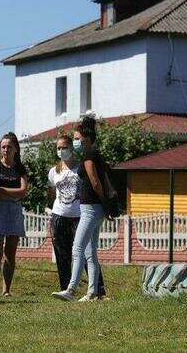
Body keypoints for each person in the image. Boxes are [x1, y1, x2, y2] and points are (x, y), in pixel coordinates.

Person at [52, 117, 108, 302]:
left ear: (86, 138)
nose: (75, 141)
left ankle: (71, 290)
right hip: (93, 208)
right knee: (90, 252)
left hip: (90, 208)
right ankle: (93, 293)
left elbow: (94, 181)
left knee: (77, 248)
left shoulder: (89, 154)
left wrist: (103, 203)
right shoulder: (92, 153)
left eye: (77, 138)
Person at [0, 132, 28, 297]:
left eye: (9, 147)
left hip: (15, 211)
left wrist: (2, 190)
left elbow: (23, 191)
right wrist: (11, 195)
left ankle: (6, 289)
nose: (6, 149)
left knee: (10, 253)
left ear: (16, 149)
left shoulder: (20, 168)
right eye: (3, 147)